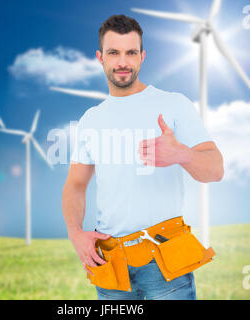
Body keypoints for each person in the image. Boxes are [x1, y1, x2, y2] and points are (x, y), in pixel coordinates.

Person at [61, 14, 224, 300]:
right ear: (100, 57)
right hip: (110, 263)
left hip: (164, 262)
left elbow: (215, 169)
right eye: (114, 52)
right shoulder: (90, 119)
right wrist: (76, 233)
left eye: (131, 52)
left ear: (142, 56)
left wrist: (182, 154)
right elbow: (76, 183)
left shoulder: (173, 105)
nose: (122, 62)